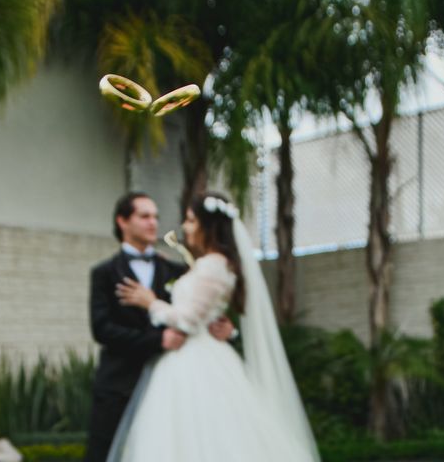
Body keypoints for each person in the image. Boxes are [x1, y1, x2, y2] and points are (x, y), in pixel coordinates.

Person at [108, 192, 320, 462]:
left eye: (191, 220)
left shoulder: (213, 266)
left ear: (209, 226)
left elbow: (187, 319)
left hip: (195, 363)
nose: (185, 227)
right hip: (189, 357)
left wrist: (150, 303)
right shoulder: (208, 266)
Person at [84, 192, 236, 462]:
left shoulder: (180, 271)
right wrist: (157, 340)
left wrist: (229, 330)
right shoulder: (104, 273)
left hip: (176, 384)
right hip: (120, 384)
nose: (153, 223)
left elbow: (203, 311)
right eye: (144, 216)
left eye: (155, 216)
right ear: (122, 221)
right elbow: (102, 329)